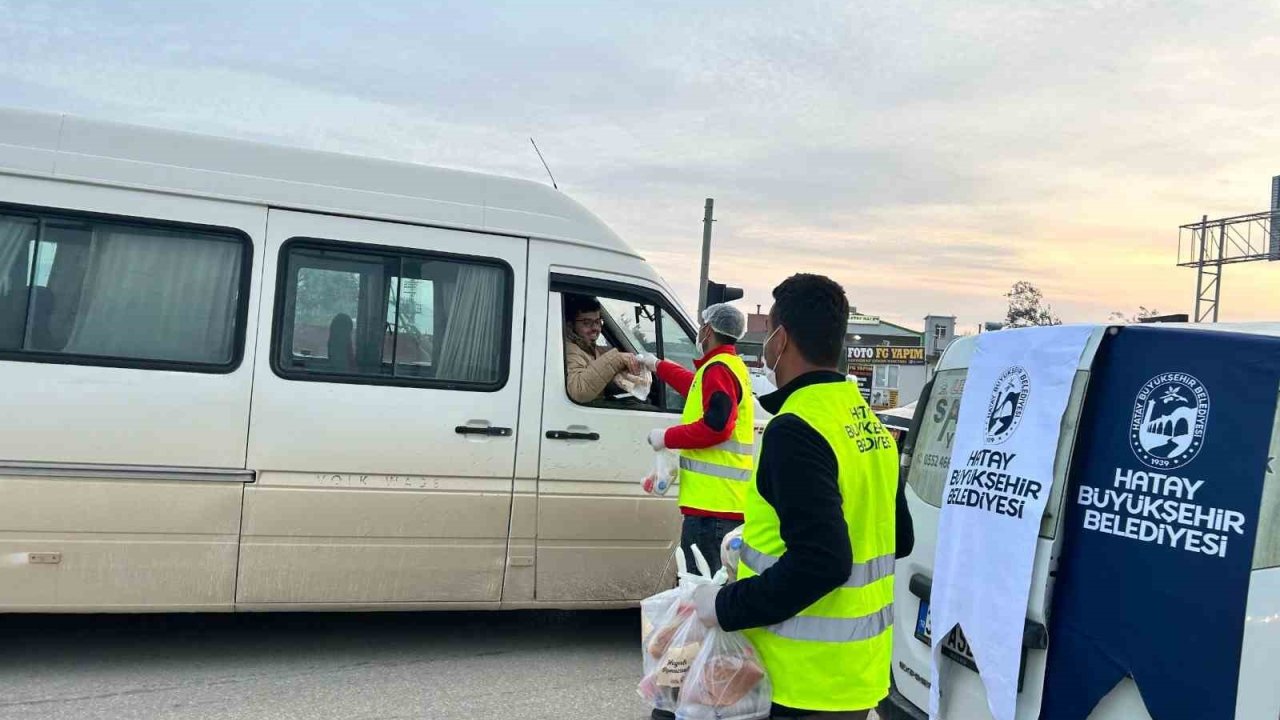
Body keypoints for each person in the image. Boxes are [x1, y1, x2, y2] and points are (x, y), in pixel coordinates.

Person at [691, 274, 898, 719]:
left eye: (768, 333)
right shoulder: (868, 423)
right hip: (857, 676)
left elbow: (823, 562)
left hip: (799, 681)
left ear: (780, 339)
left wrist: (723, 606)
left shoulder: (796, 428)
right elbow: (898, 537)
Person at [641, 302, 755, 578]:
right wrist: (656, 365)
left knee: (702, 589)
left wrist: (666, 437)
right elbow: (693, 386)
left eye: (702, 325)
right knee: (710, 587)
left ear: (708, 330)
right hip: (721, 505)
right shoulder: (727, 366)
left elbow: (716, 427)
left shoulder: (718, 369)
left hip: (712, 511)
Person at [563, 294, 643, 404]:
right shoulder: (568, 349)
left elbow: (600, 379)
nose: (595, 328)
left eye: (597, 322)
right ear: (570, 325)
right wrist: (617, 359)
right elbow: (578, 390)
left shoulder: (590, 348)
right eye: (587, 323)